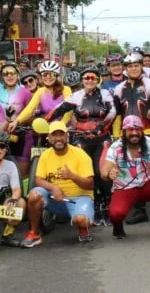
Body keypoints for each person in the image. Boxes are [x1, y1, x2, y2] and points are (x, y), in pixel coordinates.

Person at [46, 65, 115, 226]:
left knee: (102, 172)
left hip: (102, 138)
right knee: (84, 174)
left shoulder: (105, 94)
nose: (90, 81)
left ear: (98, 80)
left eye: (93, 78)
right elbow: (57, 110)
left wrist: (100, 127)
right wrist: (44, 122)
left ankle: (107, 204)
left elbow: (112, 112)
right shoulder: (76, 96)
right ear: (82, 80)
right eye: (86, 78)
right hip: (81, 139)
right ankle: (93, 204)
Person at [22, 121, 96, 247]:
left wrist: (72, 176)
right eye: (54, 135)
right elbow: (38, 180)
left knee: (81, 220)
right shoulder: (45, 155)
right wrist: (54, 188)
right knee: (34, 195)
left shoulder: (81, 155)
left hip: (78, 199)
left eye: (61, 135)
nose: (58, 139)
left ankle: (83, 227)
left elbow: (90, 185)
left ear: (67, 136)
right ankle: (34, 233)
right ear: (49, 138)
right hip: (55, 199)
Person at [101, 115, 150, 242]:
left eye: (137, 129)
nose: (134, 133)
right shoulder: (115, 147)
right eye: (130, 130)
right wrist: (109, 174)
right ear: (124, 131)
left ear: (142, 131)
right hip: (124, 188)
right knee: (116, 214)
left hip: (145, 185)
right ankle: (117, 226)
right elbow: (104, 170)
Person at [113, 53, 150, 135]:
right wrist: (116, 136)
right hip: (126, 135)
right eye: (130, 66)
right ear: (125, 69)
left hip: (148, 133)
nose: (134, 69)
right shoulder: (118, 88)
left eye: (136, 65)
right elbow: (117, 115)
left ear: (141, 66)